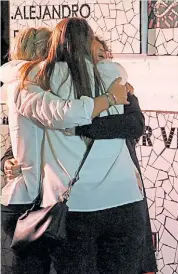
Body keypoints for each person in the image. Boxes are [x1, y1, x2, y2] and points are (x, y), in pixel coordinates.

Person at [9, 17, 152, 274]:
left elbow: (56, 111)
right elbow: (132, 124)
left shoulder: (39, 79)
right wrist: (107, 99)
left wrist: (74, 126)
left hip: (74, 206)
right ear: (88, 42)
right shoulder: (113, 73)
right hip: (124, 199)